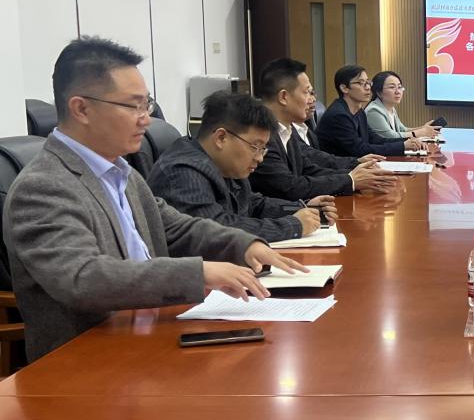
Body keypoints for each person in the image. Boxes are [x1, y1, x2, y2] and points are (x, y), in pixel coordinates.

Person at [2, 37, 305, 361]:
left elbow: (175, 227)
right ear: (82, 109)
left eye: (146, 104)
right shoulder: (42, 186)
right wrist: (199, 273)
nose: (145, 119)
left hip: (154, 337)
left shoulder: (121, 172)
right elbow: (83, 277)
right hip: (89, 361)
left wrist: (244, 244)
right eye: (132, 106)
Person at [148, 91, 338, 243]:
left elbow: (252, 204)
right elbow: (218, 230)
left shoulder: (224, 165)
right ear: (221, 137)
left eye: (263, 149)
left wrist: (303, 208)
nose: (260, 158)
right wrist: (293, 225)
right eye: (255, 147)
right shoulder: (183, 172)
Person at [249, 58, 397, 201]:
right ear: (283, 97)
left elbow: (309, 168)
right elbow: (289, 187)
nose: (311, 99)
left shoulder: (286, 130)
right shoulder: (261, 136)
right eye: (307, 92)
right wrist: (350, 180)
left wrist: (356, 174)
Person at [316, 65, 424, 157]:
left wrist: (406, 142)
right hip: (341, 169)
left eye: (368, 82)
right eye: (361, 83)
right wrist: (402, 146)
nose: (368, 87)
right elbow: (360, 149)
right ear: (344, 88)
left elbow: (374, 139)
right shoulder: (339, 115)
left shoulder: (359, 112)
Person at [365, 71, 442, 140]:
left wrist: (423, 128)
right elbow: (390, 137)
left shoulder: (390, 108)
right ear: (379, 92)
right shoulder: (374, 111)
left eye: (399, 87)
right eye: (392, 87)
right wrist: (421, 132)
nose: (398, 91)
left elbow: (403, 130)